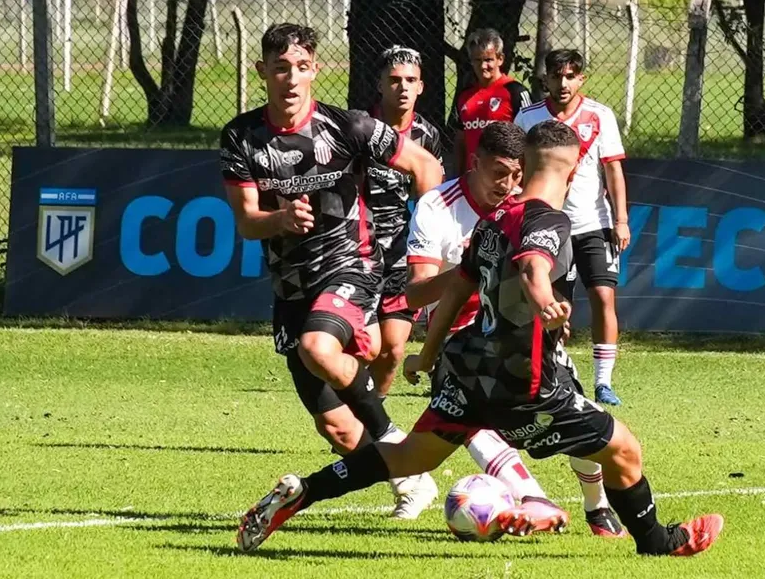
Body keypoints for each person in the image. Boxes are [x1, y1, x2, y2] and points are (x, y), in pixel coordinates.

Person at [235, 120, 723, 558]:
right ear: (573, 174)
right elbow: (534, 264)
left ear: (524, 164)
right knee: (625, 451)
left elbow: (456, 289)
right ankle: (658, 542)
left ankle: (305, 492)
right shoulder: (548, 219)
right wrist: (542, 300)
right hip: (522, 382)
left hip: (469, 369)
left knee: (408, 457)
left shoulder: (493, 222)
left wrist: (427, 354)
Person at [220, 23, 442, 525]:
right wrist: (278, 220)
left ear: (315, 70)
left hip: (352, 265)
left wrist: (429, 237)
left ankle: (390, 437)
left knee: (318, 348)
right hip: (290, 287)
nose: (291, 79)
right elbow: (245, 221)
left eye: (301, 67)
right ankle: (407, 477)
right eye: (280, 68)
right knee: (339, 431)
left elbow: (426, 166)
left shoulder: (350, 126)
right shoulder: (241, 137)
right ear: (263, 73)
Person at [406, 121, 624, 537]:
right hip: (463, 338)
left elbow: (537, 272)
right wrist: (471, 268)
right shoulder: (438, 205)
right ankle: (534, 497)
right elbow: (414, 294)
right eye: (497, 172)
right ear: (475, 164)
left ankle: (597, 508)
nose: (507, 184)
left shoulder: (528, 212)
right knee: (471, 425)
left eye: (515, 173)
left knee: (578, 412)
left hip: (521, 337)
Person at [514, 49, 628, 406]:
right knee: (554, 304)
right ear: (545, 79)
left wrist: (621, 220)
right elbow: (517, 168)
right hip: (547, 225)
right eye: (555, 76)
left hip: (594, 222)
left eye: (570, 76)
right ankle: (555, 375)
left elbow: (613, 170)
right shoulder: (528, 118)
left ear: (581, 79)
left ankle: (603, 381)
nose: (562, 84)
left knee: (603, 297)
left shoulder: (600, 116)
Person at [365, 46, 445, 398]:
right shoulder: (357, 127)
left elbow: (433, 203)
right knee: (365, 346)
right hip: (357, 251)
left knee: (393, 349)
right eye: (394, 80)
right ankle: (350, 412)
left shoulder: (427, 136)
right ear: (379, 84)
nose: (403, 87)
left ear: (421, 87)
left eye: (410, 80)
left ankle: (372, 421)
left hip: (400, 253)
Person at [453, 28, 532, 174]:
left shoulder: (516, 92)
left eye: (488, 60)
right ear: (471, 61)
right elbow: (460, 141)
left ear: (500, 59)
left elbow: (530, 139)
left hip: (507, 181)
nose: (483, 66)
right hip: (473, 181)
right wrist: (456, 178)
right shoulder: (464, 96)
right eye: (477, 60)